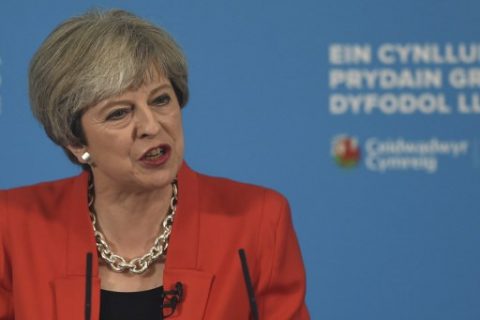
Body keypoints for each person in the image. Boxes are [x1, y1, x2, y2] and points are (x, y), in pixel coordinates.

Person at [0, 9, 309, 320]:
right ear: (76, 142)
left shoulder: (257, 221)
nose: (151, 125)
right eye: (119, 113)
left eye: (160, 100)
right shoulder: (12, 227)